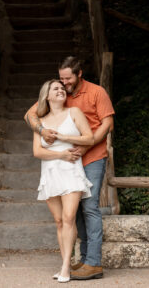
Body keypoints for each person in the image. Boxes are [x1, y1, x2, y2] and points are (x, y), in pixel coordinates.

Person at [25, 56, 115, 280]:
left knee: (90, 206)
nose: (64, 83)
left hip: (91, 156)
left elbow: (108, 123)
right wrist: (42, 130)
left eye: (67, 79)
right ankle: (82, 259)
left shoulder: (96, 92)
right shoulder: (59, 94)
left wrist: (88, 145)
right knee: (73, 214)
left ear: (79, 74)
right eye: (61, 79)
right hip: (64, 162)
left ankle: (93, 262)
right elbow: (30, 115)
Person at [33, 79, 94, 283]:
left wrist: (64, 138)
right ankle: (64, 263)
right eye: (55, 89)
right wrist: (60, 155)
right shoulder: (40, 121)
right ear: (47, 96)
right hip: (51, 172)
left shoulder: (74, 112)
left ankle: (66, 267)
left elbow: (89, 138)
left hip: (71, 171)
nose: (60, 90)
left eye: (62, 88)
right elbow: (37, 151)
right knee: (59, 221)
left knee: (69, 218)